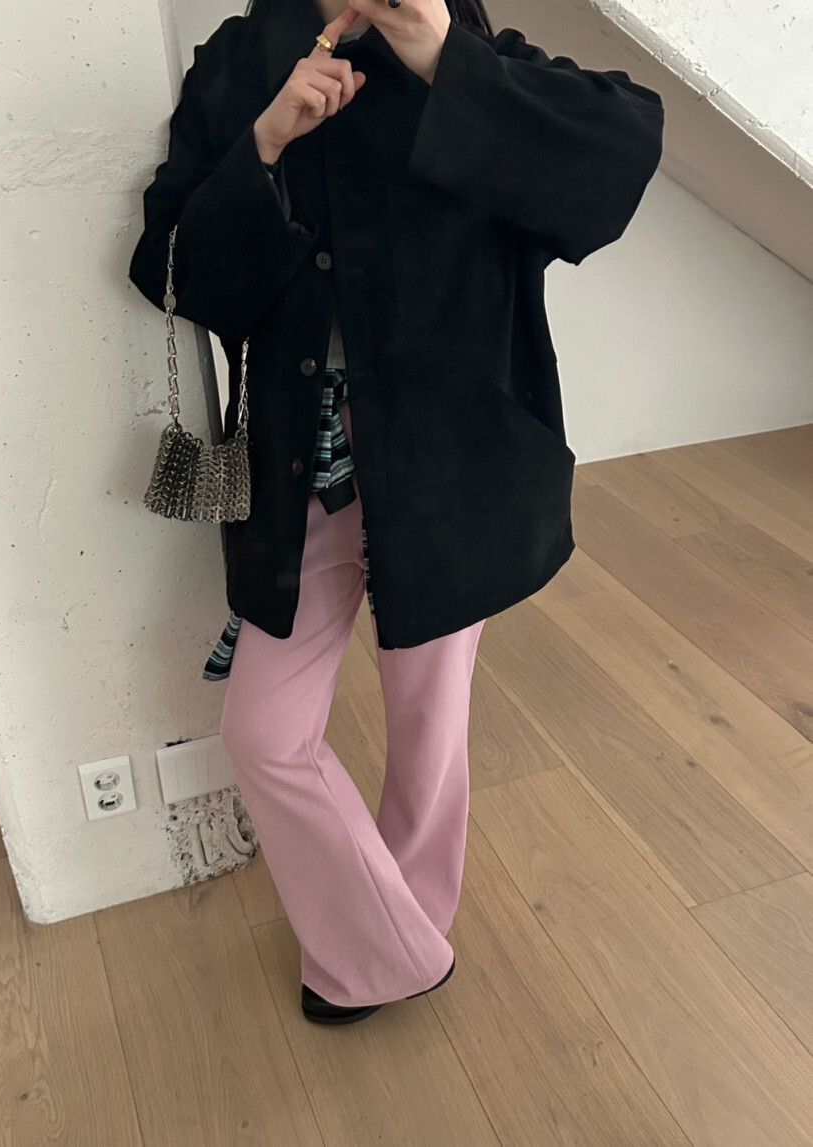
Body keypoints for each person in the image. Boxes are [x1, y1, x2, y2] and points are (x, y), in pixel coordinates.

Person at [129, 0, 664, 1024]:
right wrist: (263, 144)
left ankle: (390, 932)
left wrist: (442, 59)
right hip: (302, 467)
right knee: (263, 732)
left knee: (428, 720)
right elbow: (172, 266)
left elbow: (615, 160)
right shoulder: (241, 60)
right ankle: (396, 947)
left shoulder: (469, 44)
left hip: (447, 466)